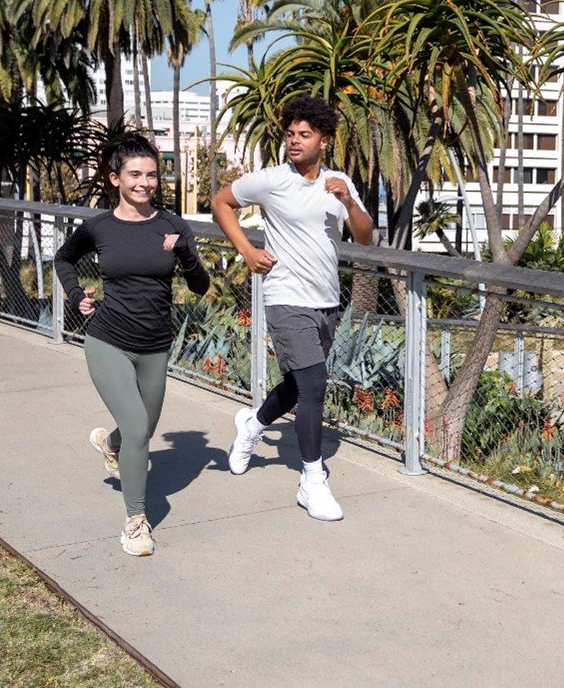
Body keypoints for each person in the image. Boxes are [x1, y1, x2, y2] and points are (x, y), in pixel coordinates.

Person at [211, 95, 373, 521]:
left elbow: (365, 237)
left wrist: (349, 203)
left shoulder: (338, 182)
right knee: (315, 385)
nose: (295, 141)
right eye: (290, 134)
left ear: (324, 140)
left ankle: (253, 425)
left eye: (305, 134)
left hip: (326, 300)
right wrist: (246, 249)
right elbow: (221, 201)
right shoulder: (270, 180)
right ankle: (312, 480)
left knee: (299, 384)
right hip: (284, 296)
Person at [53, 133, 210, 556]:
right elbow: (64, 259)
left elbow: (200, 286)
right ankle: (136, 522)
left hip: (156, 344)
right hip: (108, 338)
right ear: (115, 177)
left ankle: (112, 444)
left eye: (152, 175)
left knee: (140, 428)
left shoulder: (173, 225)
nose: (144, 182)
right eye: (135, 174)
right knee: (141, 427)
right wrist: (75, 294)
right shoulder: (99, 227)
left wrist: (185, 254)